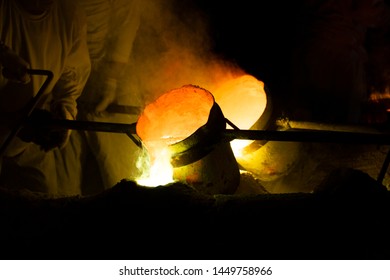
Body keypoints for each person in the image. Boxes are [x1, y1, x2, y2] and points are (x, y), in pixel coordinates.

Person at [0, 0, 91, 195]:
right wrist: (12, 120)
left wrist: (63, 116)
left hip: (30, 149)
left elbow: (70, 81)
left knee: (45, 207)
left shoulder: (69, 13)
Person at [60, 0, 144, 193]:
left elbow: (128, 12)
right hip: (64, 79)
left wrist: (110, 78)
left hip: (108, 78)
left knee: (125, 175)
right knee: (60, 185)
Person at [288, 0, 387, 124]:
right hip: (334, 57)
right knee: (338, 125)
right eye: (378, 4)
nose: (381, 10)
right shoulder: (340, 54)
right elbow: (365, 11)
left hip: (322, 51)